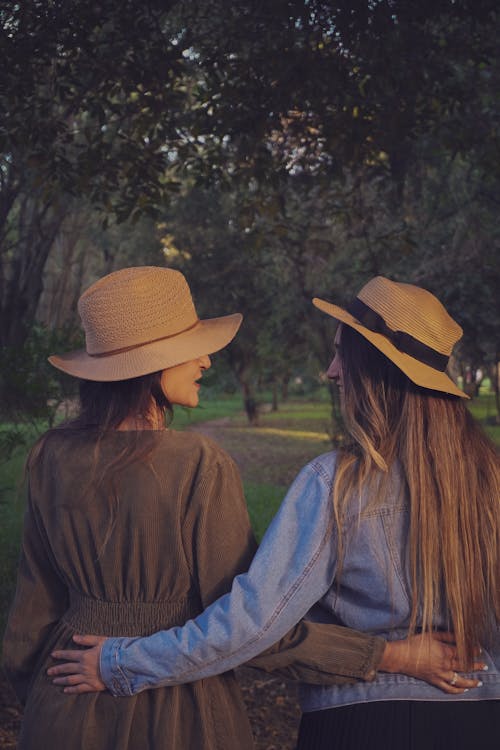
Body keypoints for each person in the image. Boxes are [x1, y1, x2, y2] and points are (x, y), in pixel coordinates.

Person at [2, 267, 464, 750]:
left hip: (63, 701)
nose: (205, 358)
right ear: (150, 365)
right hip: (177, 714)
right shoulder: (199, 466)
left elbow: (28, 622)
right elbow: (256, 628)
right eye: (189, 346)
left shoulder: (49, 457)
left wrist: (42, 701)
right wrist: (387, 655)